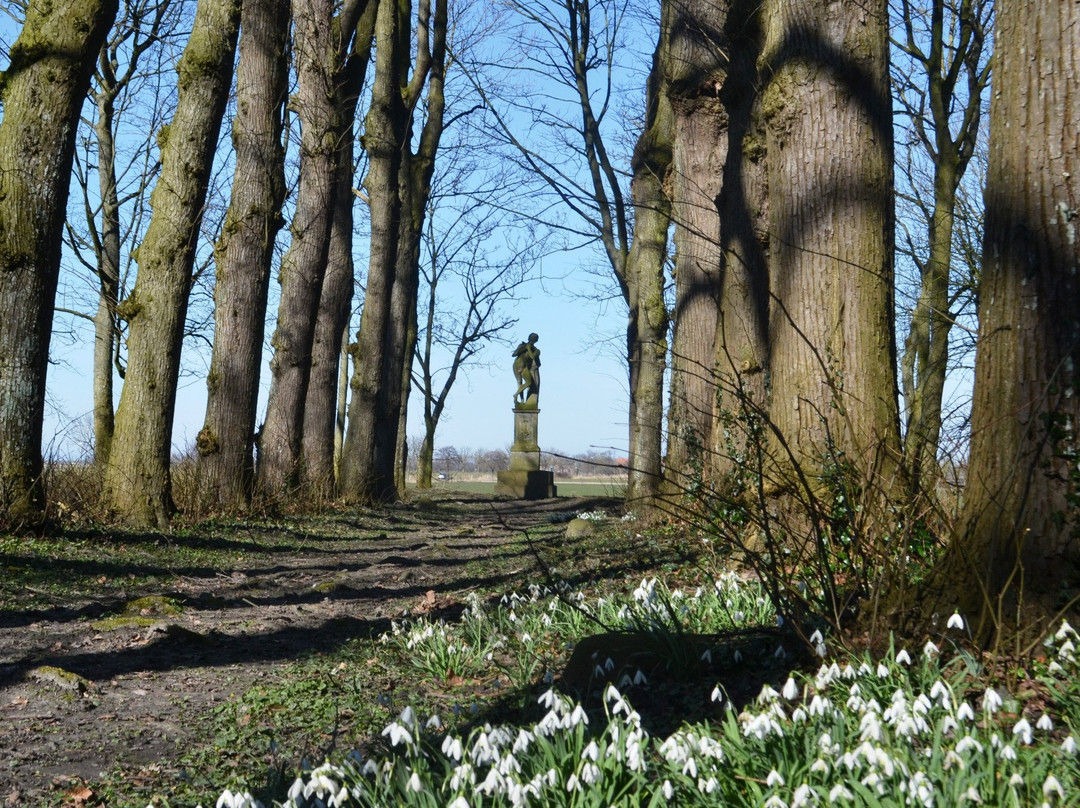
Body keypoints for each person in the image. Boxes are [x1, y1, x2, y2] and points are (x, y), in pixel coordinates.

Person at [512, 333, 541, 404]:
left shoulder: (535, 350)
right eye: (532, 339)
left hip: (524, 367)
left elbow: (533, 357)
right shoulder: (522, 345)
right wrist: (522, 348)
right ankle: (521, 400)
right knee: (519, 382)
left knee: (528, 382)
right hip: (517, 366)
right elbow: (514, 354)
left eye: (534, 339)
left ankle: (516, 395)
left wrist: (529, 348)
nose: (533, 340)